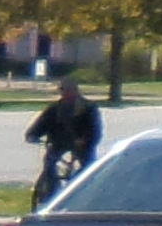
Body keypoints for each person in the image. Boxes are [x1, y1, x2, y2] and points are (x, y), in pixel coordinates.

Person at [26, 72, 104, 207]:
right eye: (62, 90)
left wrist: (85, 140)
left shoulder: (88, 108)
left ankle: (79, 188)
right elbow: (42, 123)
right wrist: (32, 135)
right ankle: (50, 191)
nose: (64, 94)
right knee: (49, 162)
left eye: (67, 90)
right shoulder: (55, 108)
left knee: (89, 167)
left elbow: (94, 130)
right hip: (59, 142)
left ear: (75, 90)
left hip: (81, 144)